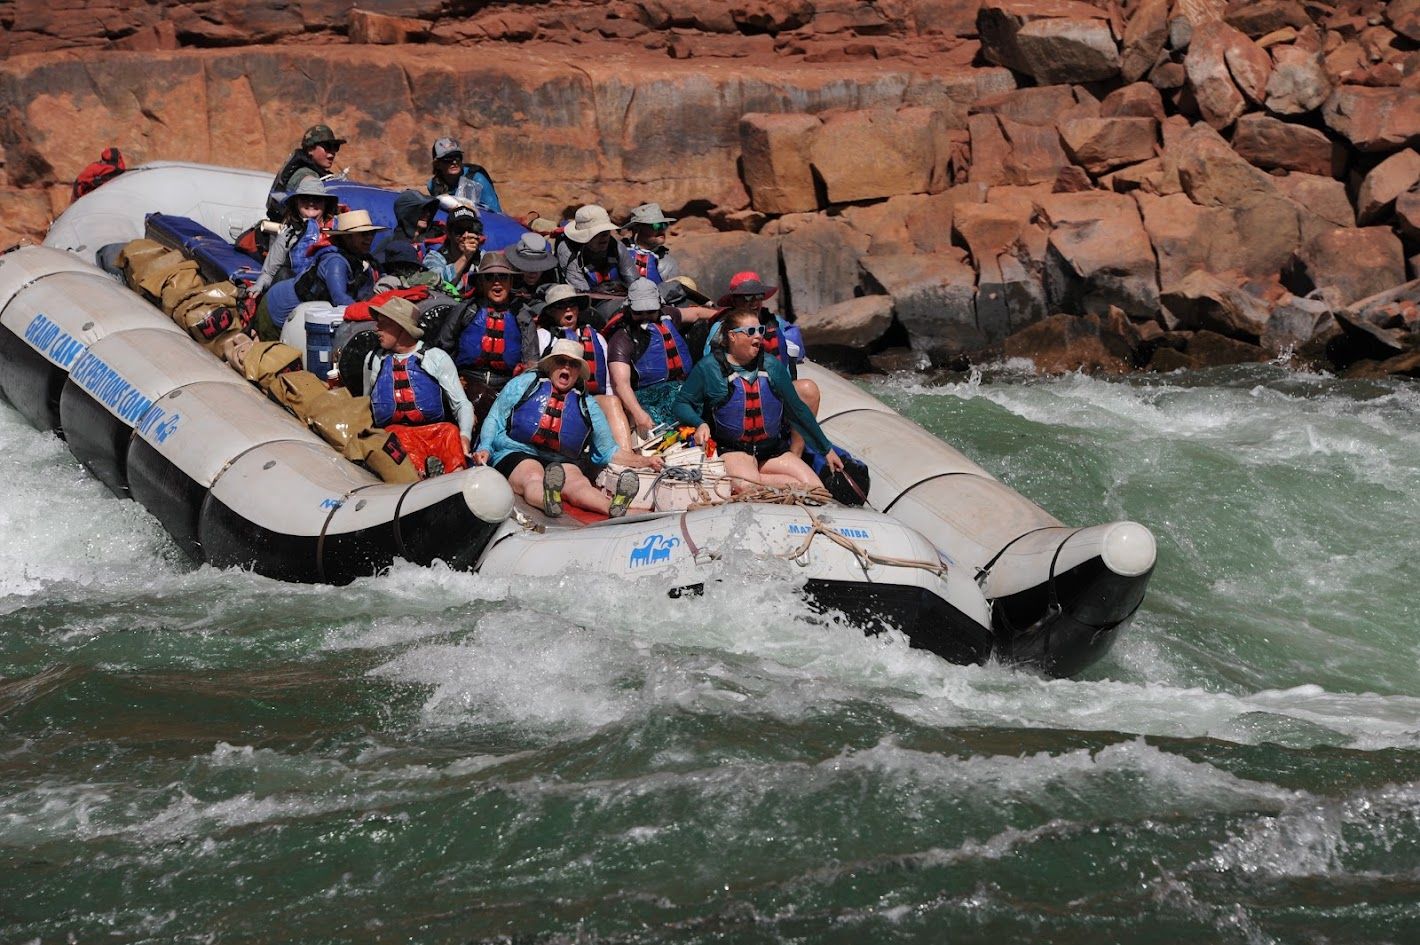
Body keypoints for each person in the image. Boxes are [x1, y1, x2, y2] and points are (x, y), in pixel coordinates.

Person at [473, 339, 660, 518]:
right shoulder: (524, 384)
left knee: (580, 484)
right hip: (516, 451)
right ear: (551, 365)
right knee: (533, 476)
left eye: (574, 364)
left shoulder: (587, 405)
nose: (567, 368)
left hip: (561, 461)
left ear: (579, 372)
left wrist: (645, 461)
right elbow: (495, 418)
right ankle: (548, 499)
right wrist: (485, 447)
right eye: (561, 362)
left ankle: (613, 507)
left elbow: (608, 451)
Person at [675, 307, 844, 493]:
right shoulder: (708, 368)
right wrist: (699, 423)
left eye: (760, 330)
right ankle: (752, 479)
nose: (758, 336)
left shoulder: (772, 366)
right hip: (733, 450)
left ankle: (757, 478)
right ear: (732, 336)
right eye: (750, 332)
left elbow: (798, 410)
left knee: (816, 488)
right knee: (748, 487)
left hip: (771, 449)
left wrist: (826, 449)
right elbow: (681, 403)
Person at [363, 297, 475, 477]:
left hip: (433, 431)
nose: (377, 329)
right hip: (394, 434)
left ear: (400, 327)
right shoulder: (375, 360)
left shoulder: (436, 358)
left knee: (449, 432)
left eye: (383, 324)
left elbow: (462, 404)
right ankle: (422, 475)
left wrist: (465, 436)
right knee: (394, 438)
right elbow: (364, 403)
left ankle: (454, 478)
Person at [430, 251, 538, 419]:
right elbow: (443, 347)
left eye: (502, 276)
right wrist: (453, 380)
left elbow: (531, 362)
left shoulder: (522, 316)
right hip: (465, 383)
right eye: (489, 277)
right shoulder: (466, 310)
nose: (497, 282)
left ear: (511, 282)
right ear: (480, 283)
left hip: (506, 387)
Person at [605, 277, 714, 439]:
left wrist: (726, 316)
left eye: (650, 311)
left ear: (659, 306)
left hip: (683, 390)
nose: (645, 316)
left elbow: (697, 313)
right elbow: (620, 383)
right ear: (629, 308)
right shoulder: (621, 338)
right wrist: (638, 413)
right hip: (648, 399)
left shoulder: (668, 315)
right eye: (639, 312)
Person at [254, 209, 384, 341]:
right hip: (276, 309)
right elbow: (339, 298)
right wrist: (371, 314)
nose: (369, 238)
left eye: (371, 233)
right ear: (347, 237)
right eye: (363, 234)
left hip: (298, 310)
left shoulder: (359, 259)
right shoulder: (335, 262)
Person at [536, 284, 632, 448]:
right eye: (560, 305)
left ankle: (626, 457)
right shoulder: (543, 338)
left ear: (578, 309)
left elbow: (608, 384)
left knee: (613, 401)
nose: (568, 309)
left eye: (572, 304)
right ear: (551, 312)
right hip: (554, 400)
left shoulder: (597, 339)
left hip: (589, 400)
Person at [248, 178, 339, 299]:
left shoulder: (338, 231)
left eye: (317, 199)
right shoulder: (288, 235)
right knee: (283, 274)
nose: (311, 203)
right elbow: (269, 273)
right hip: (294, 299)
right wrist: (259, 285)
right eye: (305, 198)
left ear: (325, 203)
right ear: (296, 203)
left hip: (329, 295)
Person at [268, 123, 345, 217]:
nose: (332, 153)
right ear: (310, 149)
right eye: (328, 147)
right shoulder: (304, 174)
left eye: (335, 147)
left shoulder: (316, 172)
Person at [556, 204, 637, 293]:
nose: (605, 235)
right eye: (598, 232)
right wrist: (597, 291)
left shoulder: (616, 246)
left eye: (606, 231)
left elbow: (636, 283)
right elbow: (581, 292)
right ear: (583, 236)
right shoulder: (568, 250)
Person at [426, 136, 502, 213]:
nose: (454, 162)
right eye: (448, 159)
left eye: (457, 157)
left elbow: (496, 213)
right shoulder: (433, 185)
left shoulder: (477, 179)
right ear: (437, 164)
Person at [421, 208, 483, 297]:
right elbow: (438, 284)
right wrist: (465, 257)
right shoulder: (434, 257)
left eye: (470, 229)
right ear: (449, 233)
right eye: (460, 230)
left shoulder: (482, 257)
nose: (465, 235)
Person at [622, 202, 679, 282]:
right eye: (656, 225)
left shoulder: (667, 263)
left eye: (664, 225)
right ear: (637, 229)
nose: (661, 229)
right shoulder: (619, 252)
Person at [504, 231, 561, 304]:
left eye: (539, 267)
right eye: (527, 266)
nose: (533, 273)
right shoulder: (506, 278)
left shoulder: (551, 277)